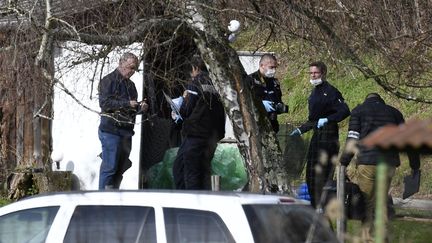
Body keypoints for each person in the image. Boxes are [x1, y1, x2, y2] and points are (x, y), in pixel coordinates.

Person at [340, 93, 420, 242]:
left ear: (366, 100)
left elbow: (353, 138)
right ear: (381, 101)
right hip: (388, 164)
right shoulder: (395, 113)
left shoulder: (359, 111)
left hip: (368, 163)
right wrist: (415, 165)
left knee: (367, 202)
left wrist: (344, 162)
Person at [290, 61, 350, 208]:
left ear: (323, 73)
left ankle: (323, 205)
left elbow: (344, 111)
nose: (313, 75)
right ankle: (315, 204)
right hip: (317, 136)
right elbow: (313, 120)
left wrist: (329, 119)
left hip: (328, 138)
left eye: (315, 73)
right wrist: (301, 130)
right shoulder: (314, 92)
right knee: (310, 173)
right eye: (311, 73)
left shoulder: (331, 91)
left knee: (322, 174)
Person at [172, 55, 225, 190]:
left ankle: (191, 204)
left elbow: (186, 110)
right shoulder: (217, 82)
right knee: (202, 170)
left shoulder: (195, 83)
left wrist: (179, 106)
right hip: (212, 135)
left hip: (196, 134)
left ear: (195, 68)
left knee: (190, 173)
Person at [98, 52, 148, 190]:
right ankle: (100, 201)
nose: (132, 71)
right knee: (110, 168)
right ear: (121, 63)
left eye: (134, 69)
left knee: (121, 168)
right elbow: (105, 104)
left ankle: (113, 197)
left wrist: (140, 108)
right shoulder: (108, 80)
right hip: (110, 131)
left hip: (126, 132)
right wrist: (127, 103)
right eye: (130, 67)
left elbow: (131, 110)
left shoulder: (131, 86)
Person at [249, 54, 287, 133]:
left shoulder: (274, 82)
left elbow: (278, 100)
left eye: (275, 67)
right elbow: (245, 102)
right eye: (271, 67)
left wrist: (279, 106)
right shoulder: (251, 80)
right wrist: (260, 105)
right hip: (256, 125)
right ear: (262, 65)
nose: (274, 70)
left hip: (272, 124)